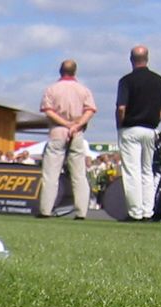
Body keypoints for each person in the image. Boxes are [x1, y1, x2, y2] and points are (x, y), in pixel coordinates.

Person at [116, 45, 161, 221]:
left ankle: (135, 212)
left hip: (131, 128)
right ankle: (148, 211)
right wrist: (155, 120)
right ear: (147, 58)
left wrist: (121, 124)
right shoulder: (159, 80)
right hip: (150, 129)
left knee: (132, 171)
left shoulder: (126, 81)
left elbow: (121, 107)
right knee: (147, 170)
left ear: (131, 60)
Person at [38, 59, 97, 219]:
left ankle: (46, 210)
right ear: (75, 71)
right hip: (77, 133)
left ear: (60, 71)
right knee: (79, 174)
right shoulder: (83, 90)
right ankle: (81, 212)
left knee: (51, 174)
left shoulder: (52, 89)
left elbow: (48, 111)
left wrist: (65, 123)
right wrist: (76, 125)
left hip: (58, 131)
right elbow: (90, 110)